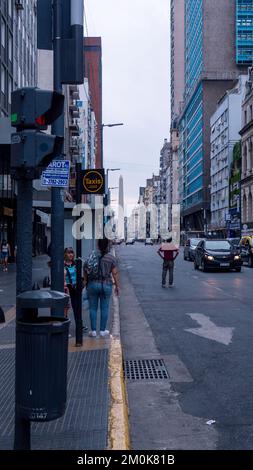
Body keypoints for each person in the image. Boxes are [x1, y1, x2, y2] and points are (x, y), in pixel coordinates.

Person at [83, 238, 120, 338]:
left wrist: (85, 280)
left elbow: (85, 267)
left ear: (98, 245)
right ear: (107, 245)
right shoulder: (111, 258)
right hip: (106, 285)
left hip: (92, 284)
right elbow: (115, 273)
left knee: (93, 308)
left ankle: (93, 331)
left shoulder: (92, 256)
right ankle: (103, 330)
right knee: (105, 308)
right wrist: (117, 286)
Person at [64, 247, 88, 332]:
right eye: (68, 253)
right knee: (65, 308)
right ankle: (65, 327)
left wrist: (83, 282)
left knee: (77, 307)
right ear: (65, 254)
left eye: (72, 253)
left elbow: (84, 268)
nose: (71, 255)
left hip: (76, 287)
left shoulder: (75, 263)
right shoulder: (63, 264)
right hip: (67, 288)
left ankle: (79, 325)